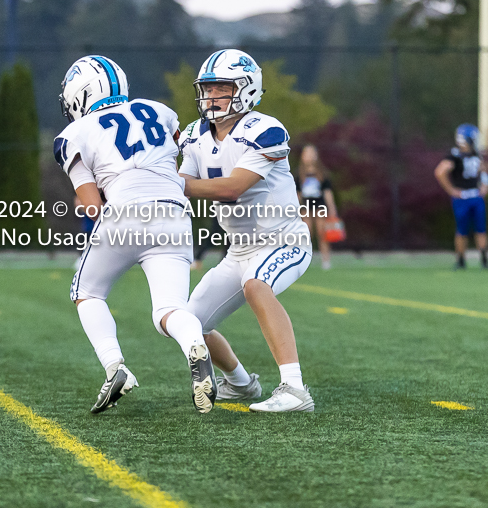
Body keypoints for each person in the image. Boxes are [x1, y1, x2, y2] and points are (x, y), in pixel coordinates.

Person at [54, 55, 216, 414]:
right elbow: (177, 149)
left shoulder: (73, 134)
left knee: (86, 291)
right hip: (174, 212)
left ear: (80, 96)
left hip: (126, 213)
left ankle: (116, 367)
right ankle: (193, 342)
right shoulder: (157, 110)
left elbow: (93, 205)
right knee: (169, 309)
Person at [178, 49, 314, 413]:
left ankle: (295, 390)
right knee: (188, 323)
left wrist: (170, 186)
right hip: (237, 250)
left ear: (247, 89)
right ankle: (240, 382)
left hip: (284, 241)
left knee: (257, 285)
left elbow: (230, 188)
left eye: (222, 88)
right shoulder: (194, 135)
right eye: (208, 88)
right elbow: (184, 179)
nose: (212, 96)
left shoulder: (265, 130)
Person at [434, 123, 488, 270]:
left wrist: (485, 184)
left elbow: (483, 170)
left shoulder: (476, 154)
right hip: (462, 197)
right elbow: (440, 172)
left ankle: (483, 259)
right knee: (462, 230)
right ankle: (461, 260)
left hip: (475, 195)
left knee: (480, 229)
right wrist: (451, 190)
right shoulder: (454, 155)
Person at [296, 145, 338, 270]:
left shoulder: (322, 173)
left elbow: (327, 192)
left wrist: (332, 208)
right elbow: (297, 194)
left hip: (319, 207)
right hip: (305, 207)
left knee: (322, 232)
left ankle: (326, 260)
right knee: (306, 233)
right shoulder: (299, 174)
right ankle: (303, 260)